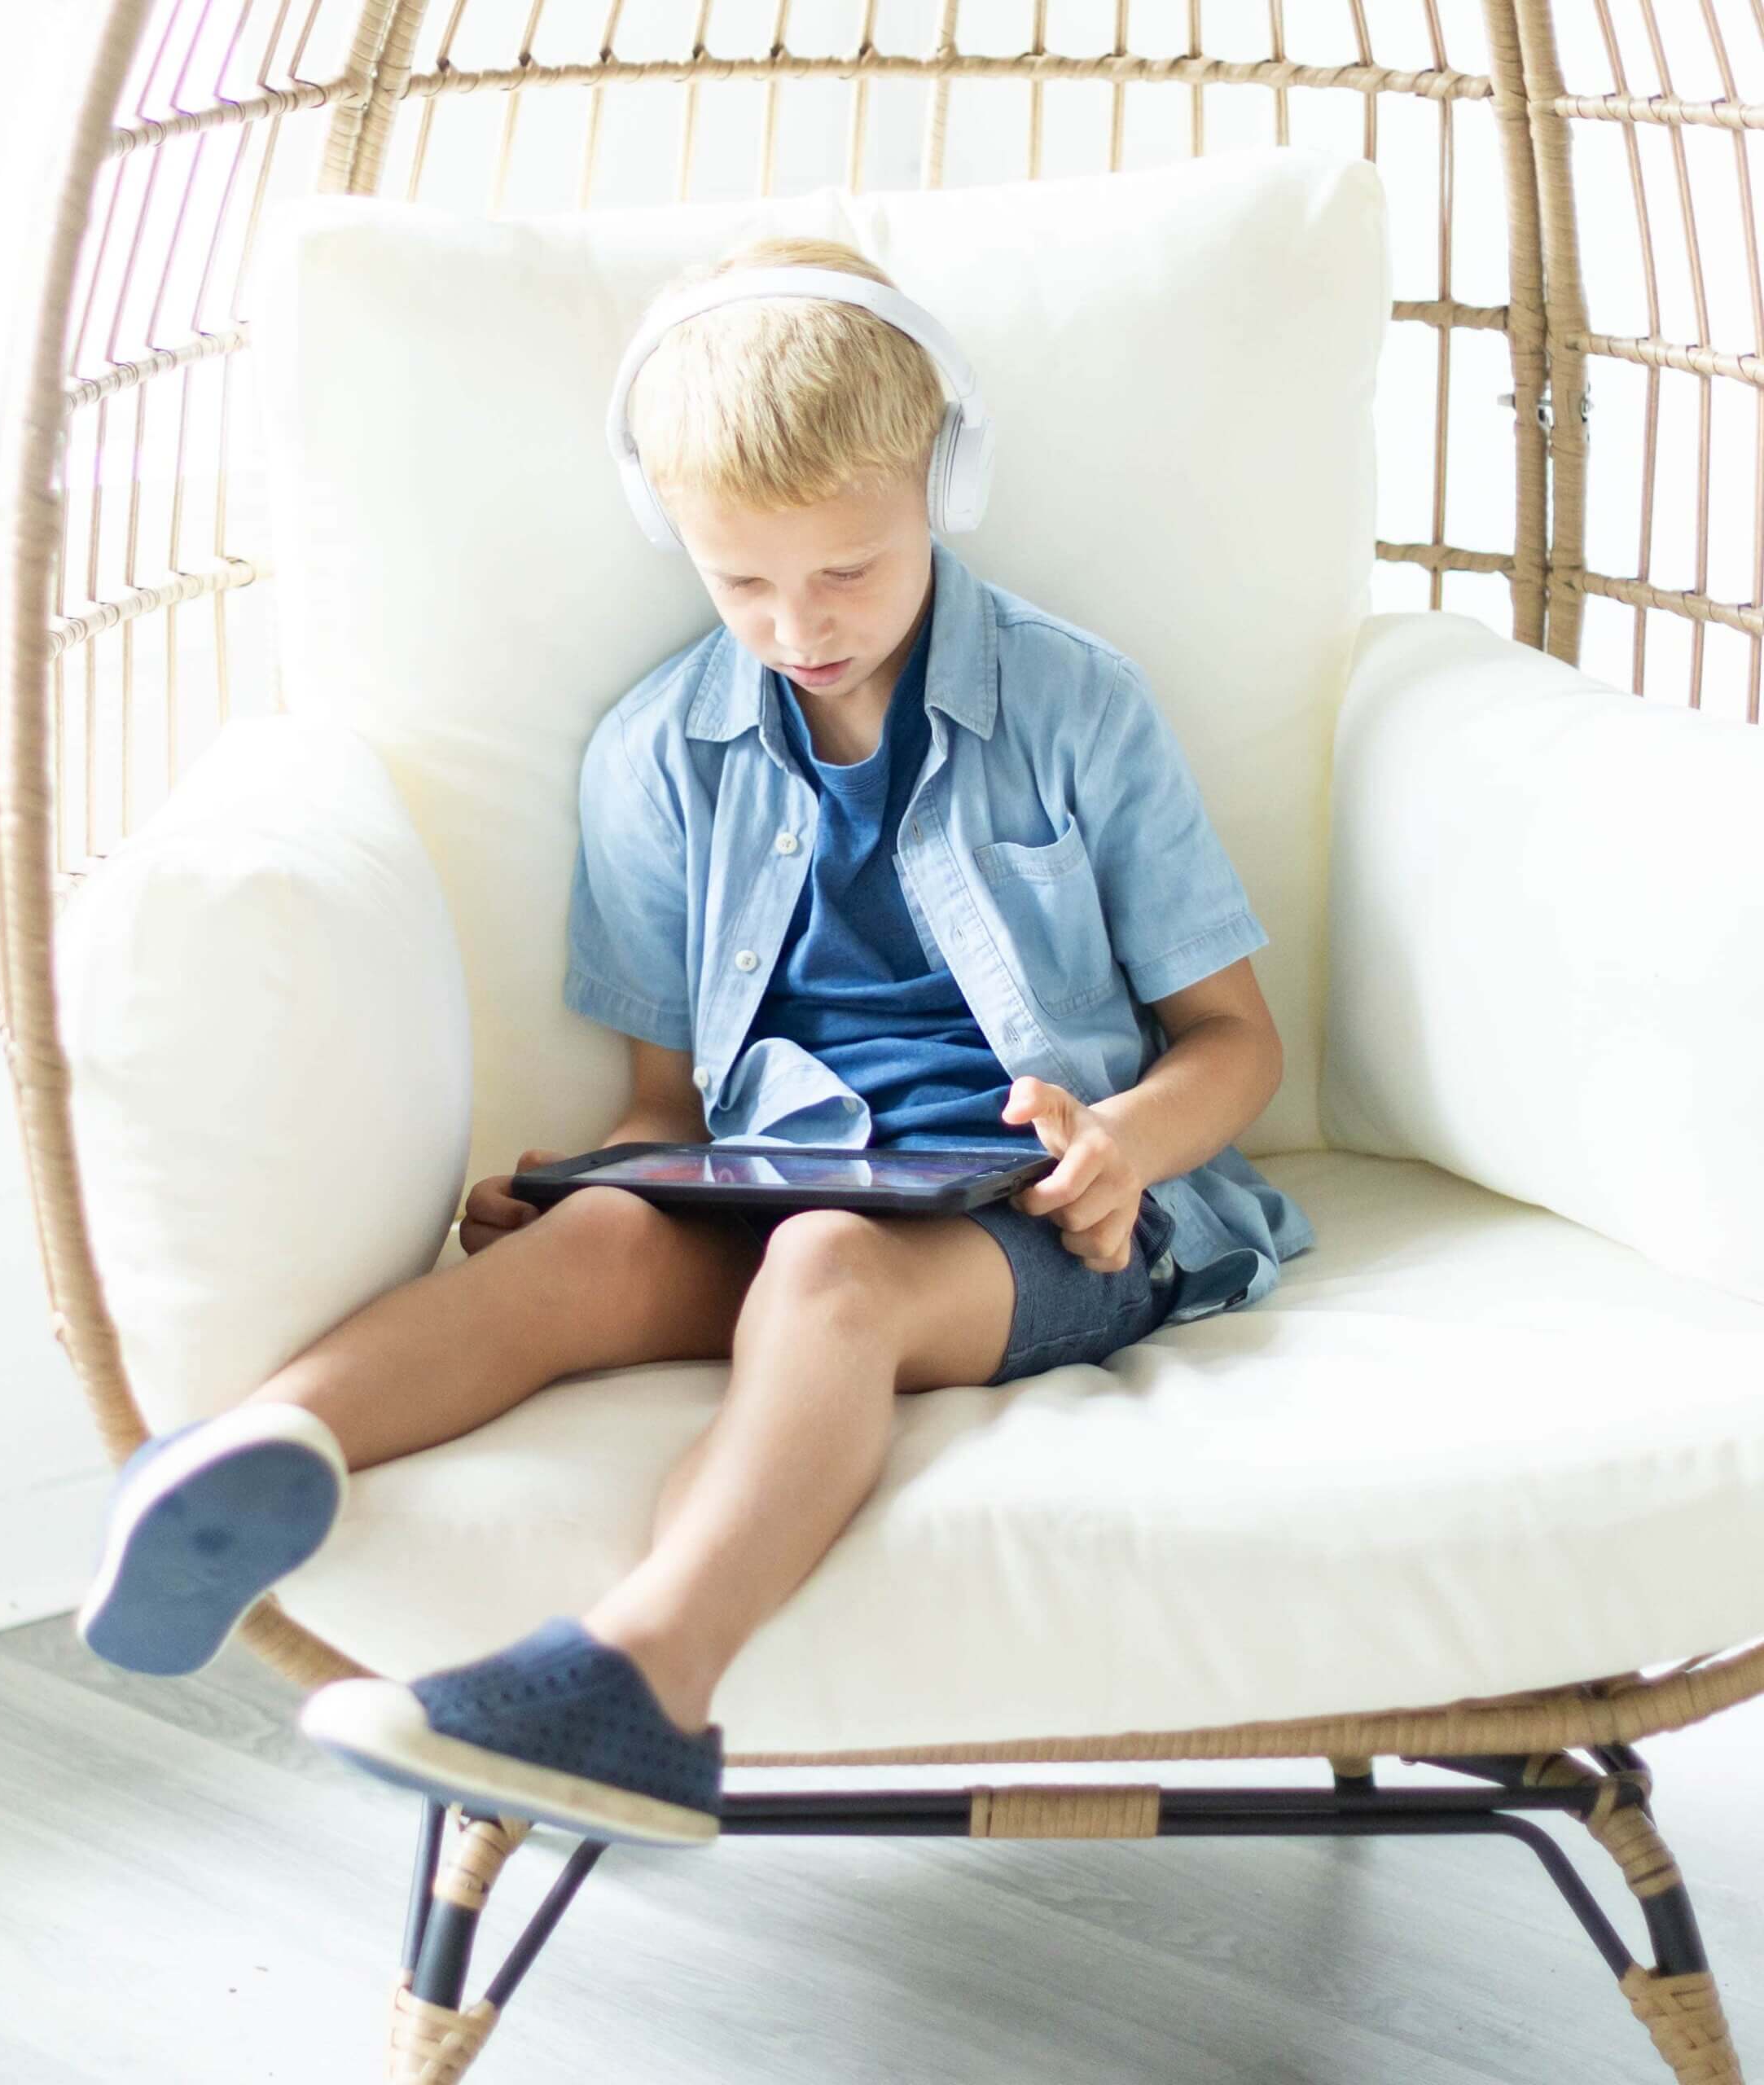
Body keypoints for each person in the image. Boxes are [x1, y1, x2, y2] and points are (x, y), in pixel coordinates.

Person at [73, 234, 1315, 1851]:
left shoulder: (1081, 708)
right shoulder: (658, 752)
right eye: (744, 584)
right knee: (595, 1244)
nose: (799, 625)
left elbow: (1233, 1039)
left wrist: (1121, 1146)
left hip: (1040, 1215)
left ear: (944, 486)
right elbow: (673, 1096)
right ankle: (235, 1465)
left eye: (848, 570)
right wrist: (613, 1171)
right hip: (778, 1178)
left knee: (828, 1271)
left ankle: (644, 1684)